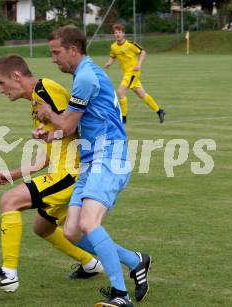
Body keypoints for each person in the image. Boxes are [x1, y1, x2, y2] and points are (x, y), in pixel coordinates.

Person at [34, 25, 151, 307]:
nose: (54, 59)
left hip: (108, 157)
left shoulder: (85, 76)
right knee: (73, 231)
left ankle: (120, 295)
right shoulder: (84, 74)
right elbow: (73, 128)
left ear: (73, 50)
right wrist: (49, 134)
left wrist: (49, 113)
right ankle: (136, 261)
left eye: (56, 52)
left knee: (88, 222)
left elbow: (68, 123)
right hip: (90, 161)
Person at [0, 54, 103, 292]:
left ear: (16, 76)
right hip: (62, 172)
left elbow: (72, 126)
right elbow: (45, 157)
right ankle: (95, 263)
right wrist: (12, 174)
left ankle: (8, 275)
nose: (0, 89)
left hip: (70, 174)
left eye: (1, 83)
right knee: (43, 228)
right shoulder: (36, 104)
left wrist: (53, 125)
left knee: (9, 201)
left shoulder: (46, 89)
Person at [104, 23, 166, 124]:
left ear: (124, 34)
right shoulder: (114, 47)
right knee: (142, 94)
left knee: (120, 92)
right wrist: (109, 63)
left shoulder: (130, 44)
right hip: (126, 74)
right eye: (116, 33)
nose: (118, 34)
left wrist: (139, 64)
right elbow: (113, 55)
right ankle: (160, 111)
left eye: (120, 32)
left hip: (133, 72)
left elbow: (143, 52)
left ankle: (123, 119)